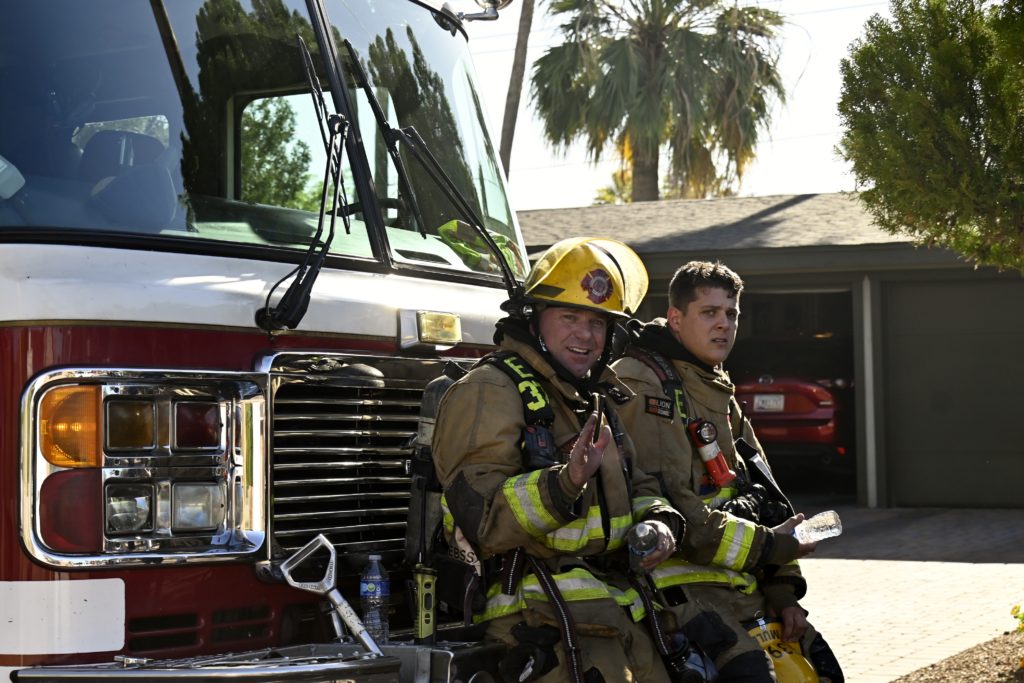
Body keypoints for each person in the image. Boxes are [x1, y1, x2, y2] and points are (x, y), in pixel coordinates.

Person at [431, 237, 686, 683]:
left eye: (597, 323)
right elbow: (481, 519)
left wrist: (659, 522)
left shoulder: (592, 398)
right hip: (538, 621)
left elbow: (640, 484)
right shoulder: (489, 390)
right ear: (534, 319)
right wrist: (563, 484)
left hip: (615, 616)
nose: (585, 335)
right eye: (569, 317)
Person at [612, 260, 844, 682]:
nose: (724, 324)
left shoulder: (716, 388)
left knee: (821, 669)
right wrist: (773, 547)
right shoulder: (645, 384)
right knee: (752, 674)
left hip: (741, 585)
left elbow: (768, 497)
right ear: (676, 318)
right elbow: (677, 513)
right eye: (709, 313)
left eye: (731, 313)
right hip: (677, 592)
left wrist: (782, 591)